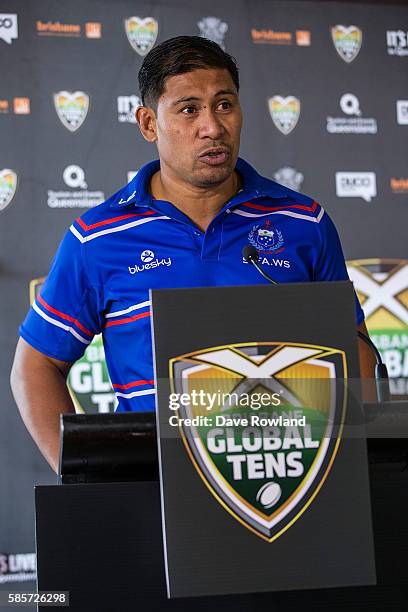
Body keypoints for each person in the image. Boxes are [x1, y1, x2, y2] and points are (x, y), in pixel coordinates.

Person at [10, 36, 375, 472]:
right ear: (149, 124)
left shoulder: (304, 223)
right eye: (188, 109)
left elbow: (354, 349)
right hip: (156, 491)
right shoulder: (98, 237)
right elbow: (36, 365)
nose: (212, 127)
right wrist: (87, 478)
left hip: (291, 477)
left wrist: (349, 459)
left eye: (224, 104)